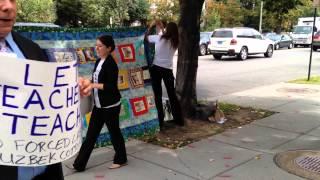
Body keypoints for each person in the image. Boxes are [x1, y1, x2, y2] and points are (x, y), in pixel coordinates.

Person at [0, 0, 88, 179]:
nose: (8, 6)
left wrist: (72, 89)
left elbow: (48, 100)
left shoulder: (31, 48)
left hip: (46, 169)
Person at [73, 35, 127, 172]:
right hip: (98, 106)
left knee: (114, 133)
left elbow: (111, 87)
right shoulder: (98, 61)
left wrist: (92, 85)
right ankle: (79, 165)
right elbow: (95, 79)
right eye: (96, 45)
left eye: (100, 46)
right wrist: (86, 83)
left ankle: (121, 159)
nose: (97, 48)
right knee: (91, 135)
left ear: (108, 48)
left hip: (111, 106)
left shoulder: (111, 64)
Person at [145, 21, 184, 130]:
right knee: (172, 95)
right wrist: (162, 29)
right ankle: (179, 120)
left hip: (156, 68)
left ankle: (160, 121)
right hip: (167, 69)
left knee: (157, 95)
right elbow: (166, 37)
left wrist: (152, 26)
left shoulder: (160, 38)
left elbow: (146, 38)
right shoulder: (176, 41)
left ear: (167, 29)